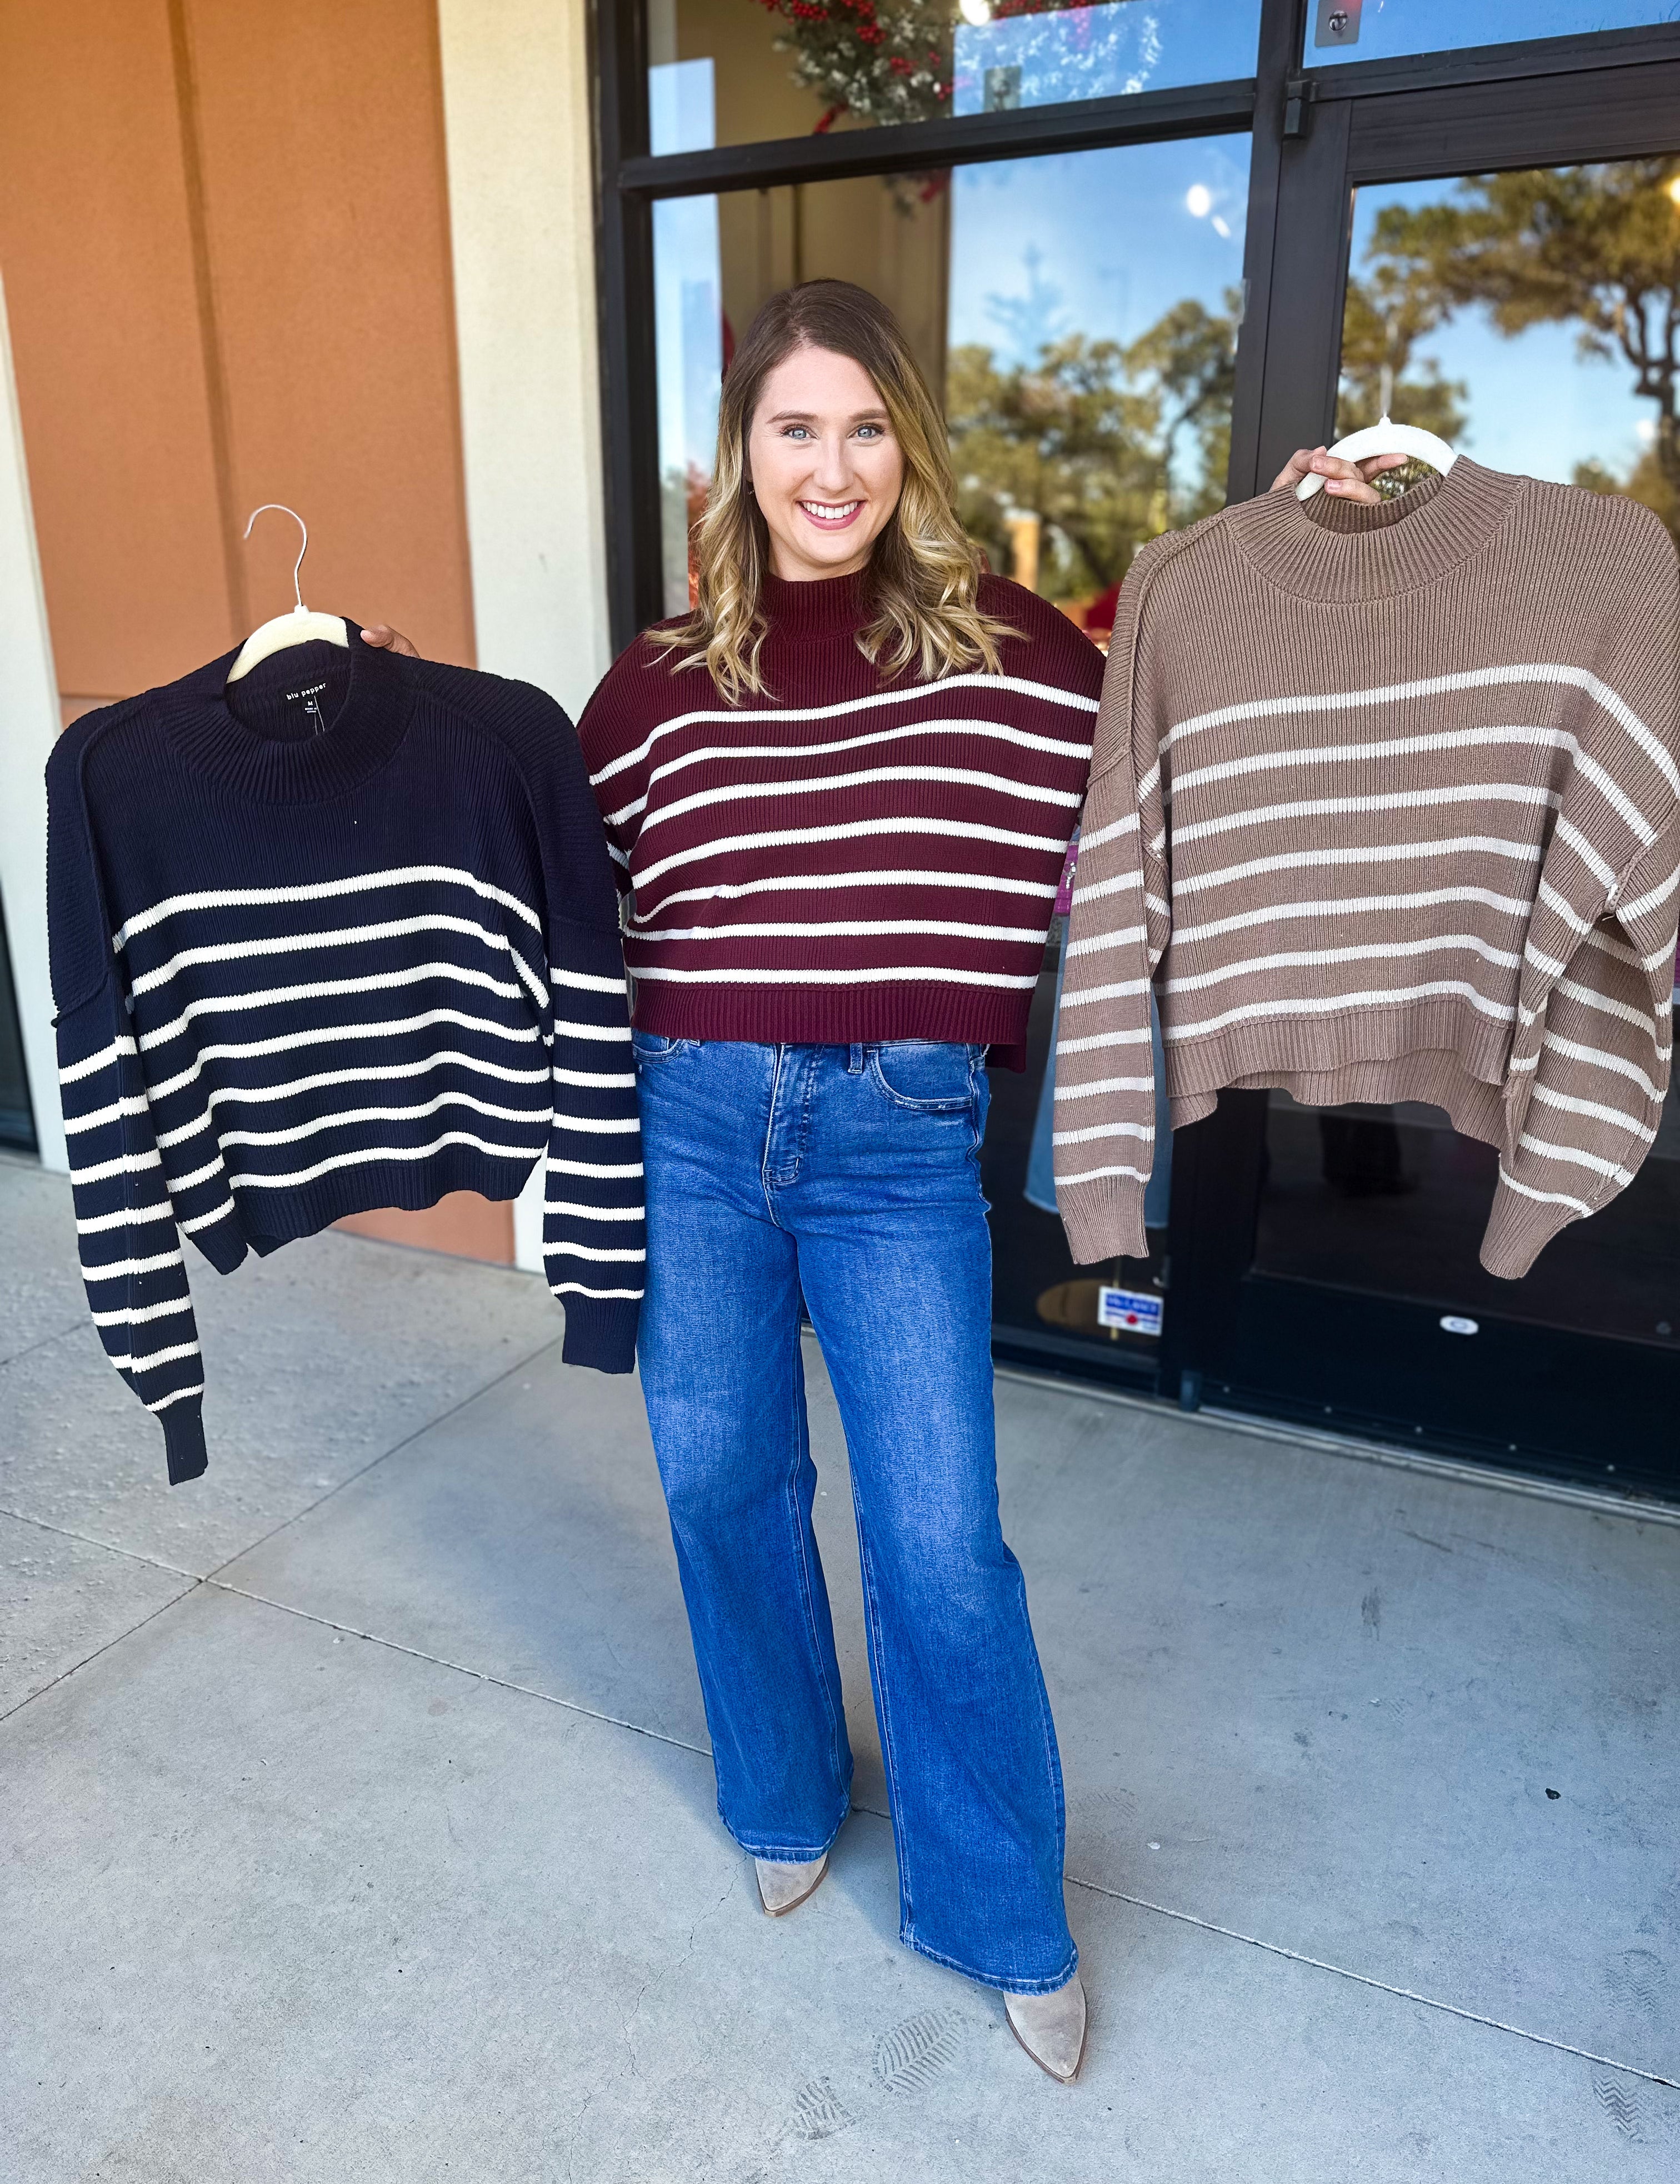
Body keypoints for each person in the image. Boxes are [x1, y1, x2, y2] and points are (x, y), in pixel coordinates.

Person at [362, 298, 1398, 2083]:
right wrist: (396, 712)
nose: (828, 468)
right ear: (739, 458)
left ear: (905, 446)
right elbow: (545, 856)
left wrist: (1292, 544)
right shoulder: (660, 680)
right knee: (720, 1471)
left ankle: (999, 1900)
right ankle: (779, 1787)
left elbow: (1194, 702)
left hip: (899, 1137)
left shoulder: (1019, 657)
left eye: (861, 430)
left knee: (937, 1536)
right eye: (792, 431)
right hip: (688, 1122)